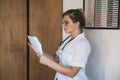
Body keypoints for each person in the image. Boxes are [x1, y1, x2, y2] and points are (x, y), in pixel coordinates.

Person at [29, 8, 91, 80]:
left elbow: (72, 73)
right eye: (63, 23)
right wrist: (41, 53)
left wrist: (48, 62)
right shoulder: (67, 40)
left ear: (77, 23)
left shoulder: (82, 44)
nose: (63, 25)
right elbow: (56, 59)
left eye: (66, 22)